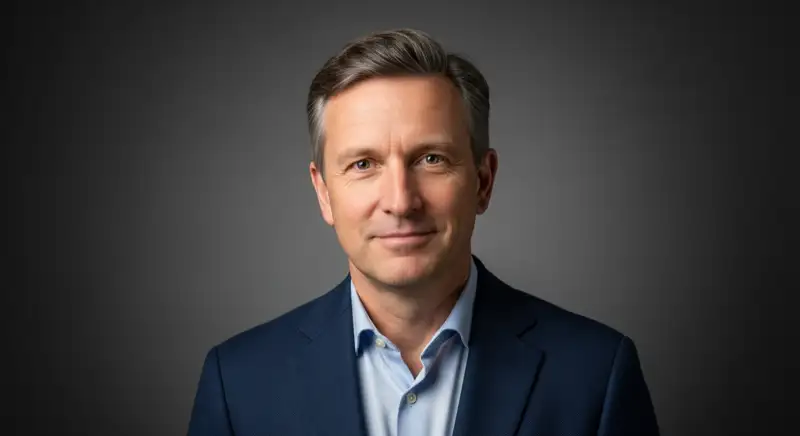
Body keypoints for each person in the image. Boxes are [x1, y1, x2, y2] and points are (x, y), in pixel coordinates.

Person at [187, 28, 660, 436]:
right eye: (363, 164)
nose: (400, 200)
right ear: (324, 193)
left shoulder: (596, 375)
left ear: (483, 181)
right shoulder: (239, 383)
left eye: (431, 159)